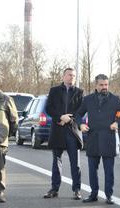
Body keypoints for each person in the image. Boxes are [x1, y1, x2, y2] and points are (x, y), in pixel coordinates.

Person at [76, 74, 120, 205]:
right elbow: (78, 114)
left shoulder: (114, 99)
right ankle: (93, 194)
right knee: (92, 169)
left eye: (106, 85)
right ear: (96, 85)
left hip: (108, 138)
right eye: (101, 85)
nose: (104, 87)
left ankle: (109, 195)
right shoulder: (88, 99)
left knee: (109, 171)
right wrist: (81, 124)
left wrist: (118, 123)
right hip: (93, 137)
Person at [43, 68, 84, 200]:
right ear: (63, 76)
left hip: (72, 131)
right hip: (58, 130)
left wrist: (69, 119)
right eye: (69, 75)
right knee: (56, 161)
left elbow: (80, 111)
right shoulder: (54, 90)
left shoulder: (79, 92)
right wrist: (60, 117)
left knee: (75, 163)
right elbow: (49, 108)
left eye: (74, 75)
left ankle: (77, 190)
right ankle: (54, 189)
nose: (71, 77)